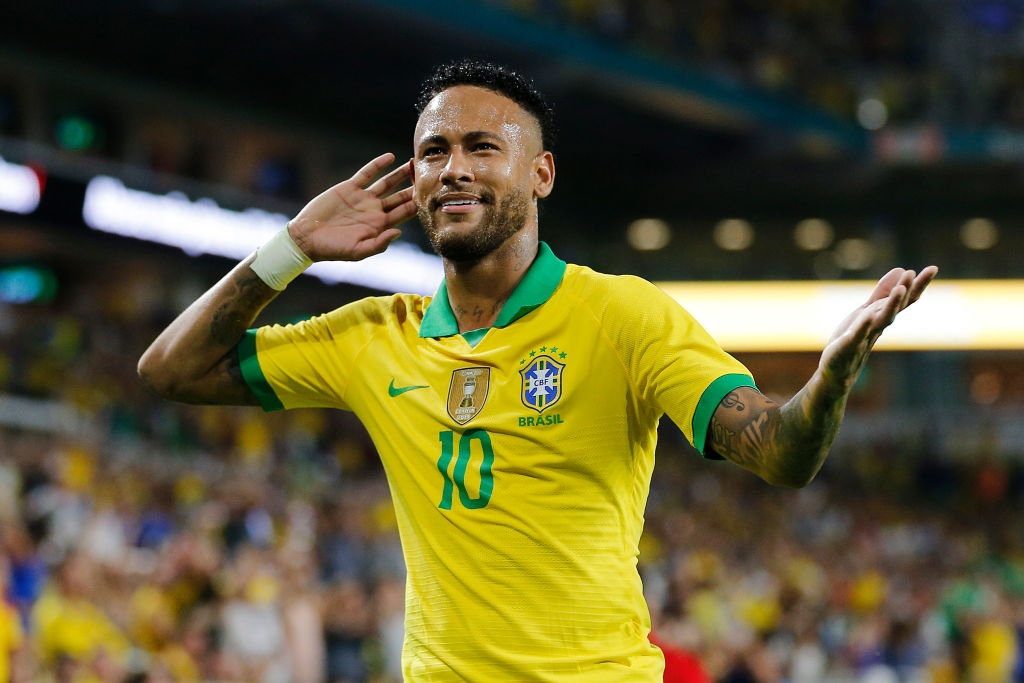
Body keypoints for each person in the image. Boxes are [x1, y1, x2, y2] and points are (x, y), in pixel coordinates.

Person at [138, 59, 937, 681]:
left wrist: (828, 382)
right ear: (413, 184)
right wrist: (292, 248)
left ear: (541, 175)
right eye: (433, 152)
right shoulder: (375, 335)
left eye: (482, 147)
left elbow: (781, 450)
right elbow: (171, 369)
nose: (452, 168)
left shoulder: (621, 314)